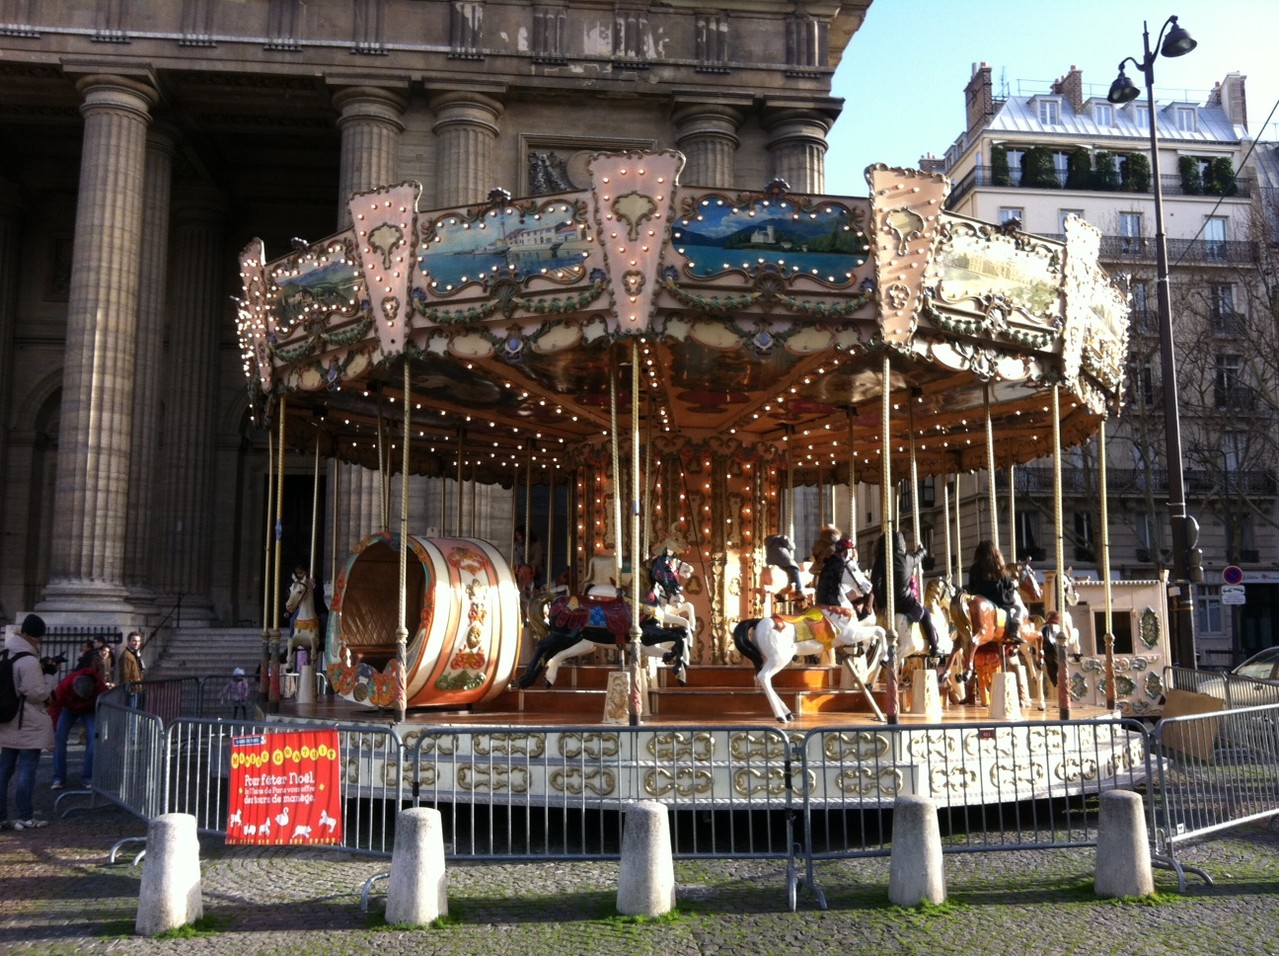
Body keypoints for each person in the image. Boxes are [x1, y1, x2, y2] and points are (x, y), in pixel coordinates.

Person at [0, 614, 58, 830]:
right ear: (36, 637)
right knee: (27, 771)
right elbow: (37, 694)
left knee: (4, 770)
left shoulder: (6, 653)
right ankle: (25, 815)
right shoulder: (28, 660)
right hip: (27, 722)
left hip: (7, 720)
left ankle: (1, 816)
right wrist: (50, 675)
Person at [872, 531, 941, 657]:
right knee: (925, 613)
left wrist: (882, 604)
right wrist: (923, 550)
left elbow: (876, 584)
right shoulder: (907, 559)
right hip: (905, 603)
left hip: (887, 604)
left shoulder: (881, 560)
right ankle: (935, 647)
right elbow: (918, 556)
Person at [48, 659, 107, 791]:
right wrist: (53, 728)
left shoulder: (99, 686)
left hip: (89, 709)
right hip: (69, 708)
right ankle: (59, 777)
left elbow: (105, 702)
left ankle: (87, 777)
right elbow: (55, 707)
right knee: (59, 738)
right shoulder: (64, 686)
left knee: (93, 739)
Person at [967, 539, 1025, 644]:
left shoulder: (974, 568)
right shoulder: (999, 567)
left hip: (980, 597)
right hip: (998, 599)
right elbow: (1009, 587)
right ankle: (1014, 631)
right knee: (1019, 608)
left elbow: (971, 586)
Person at [120, 631, 146, 708]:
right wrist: (128, 690)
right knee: (132, 714)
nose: (136, 643)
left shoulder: (135, 654)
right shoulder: (126, 656)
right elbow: (125, 674)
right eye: (134, 641)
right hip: (132, 690)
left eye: (138, 641)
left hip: (137, 689)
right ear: (129, 642)